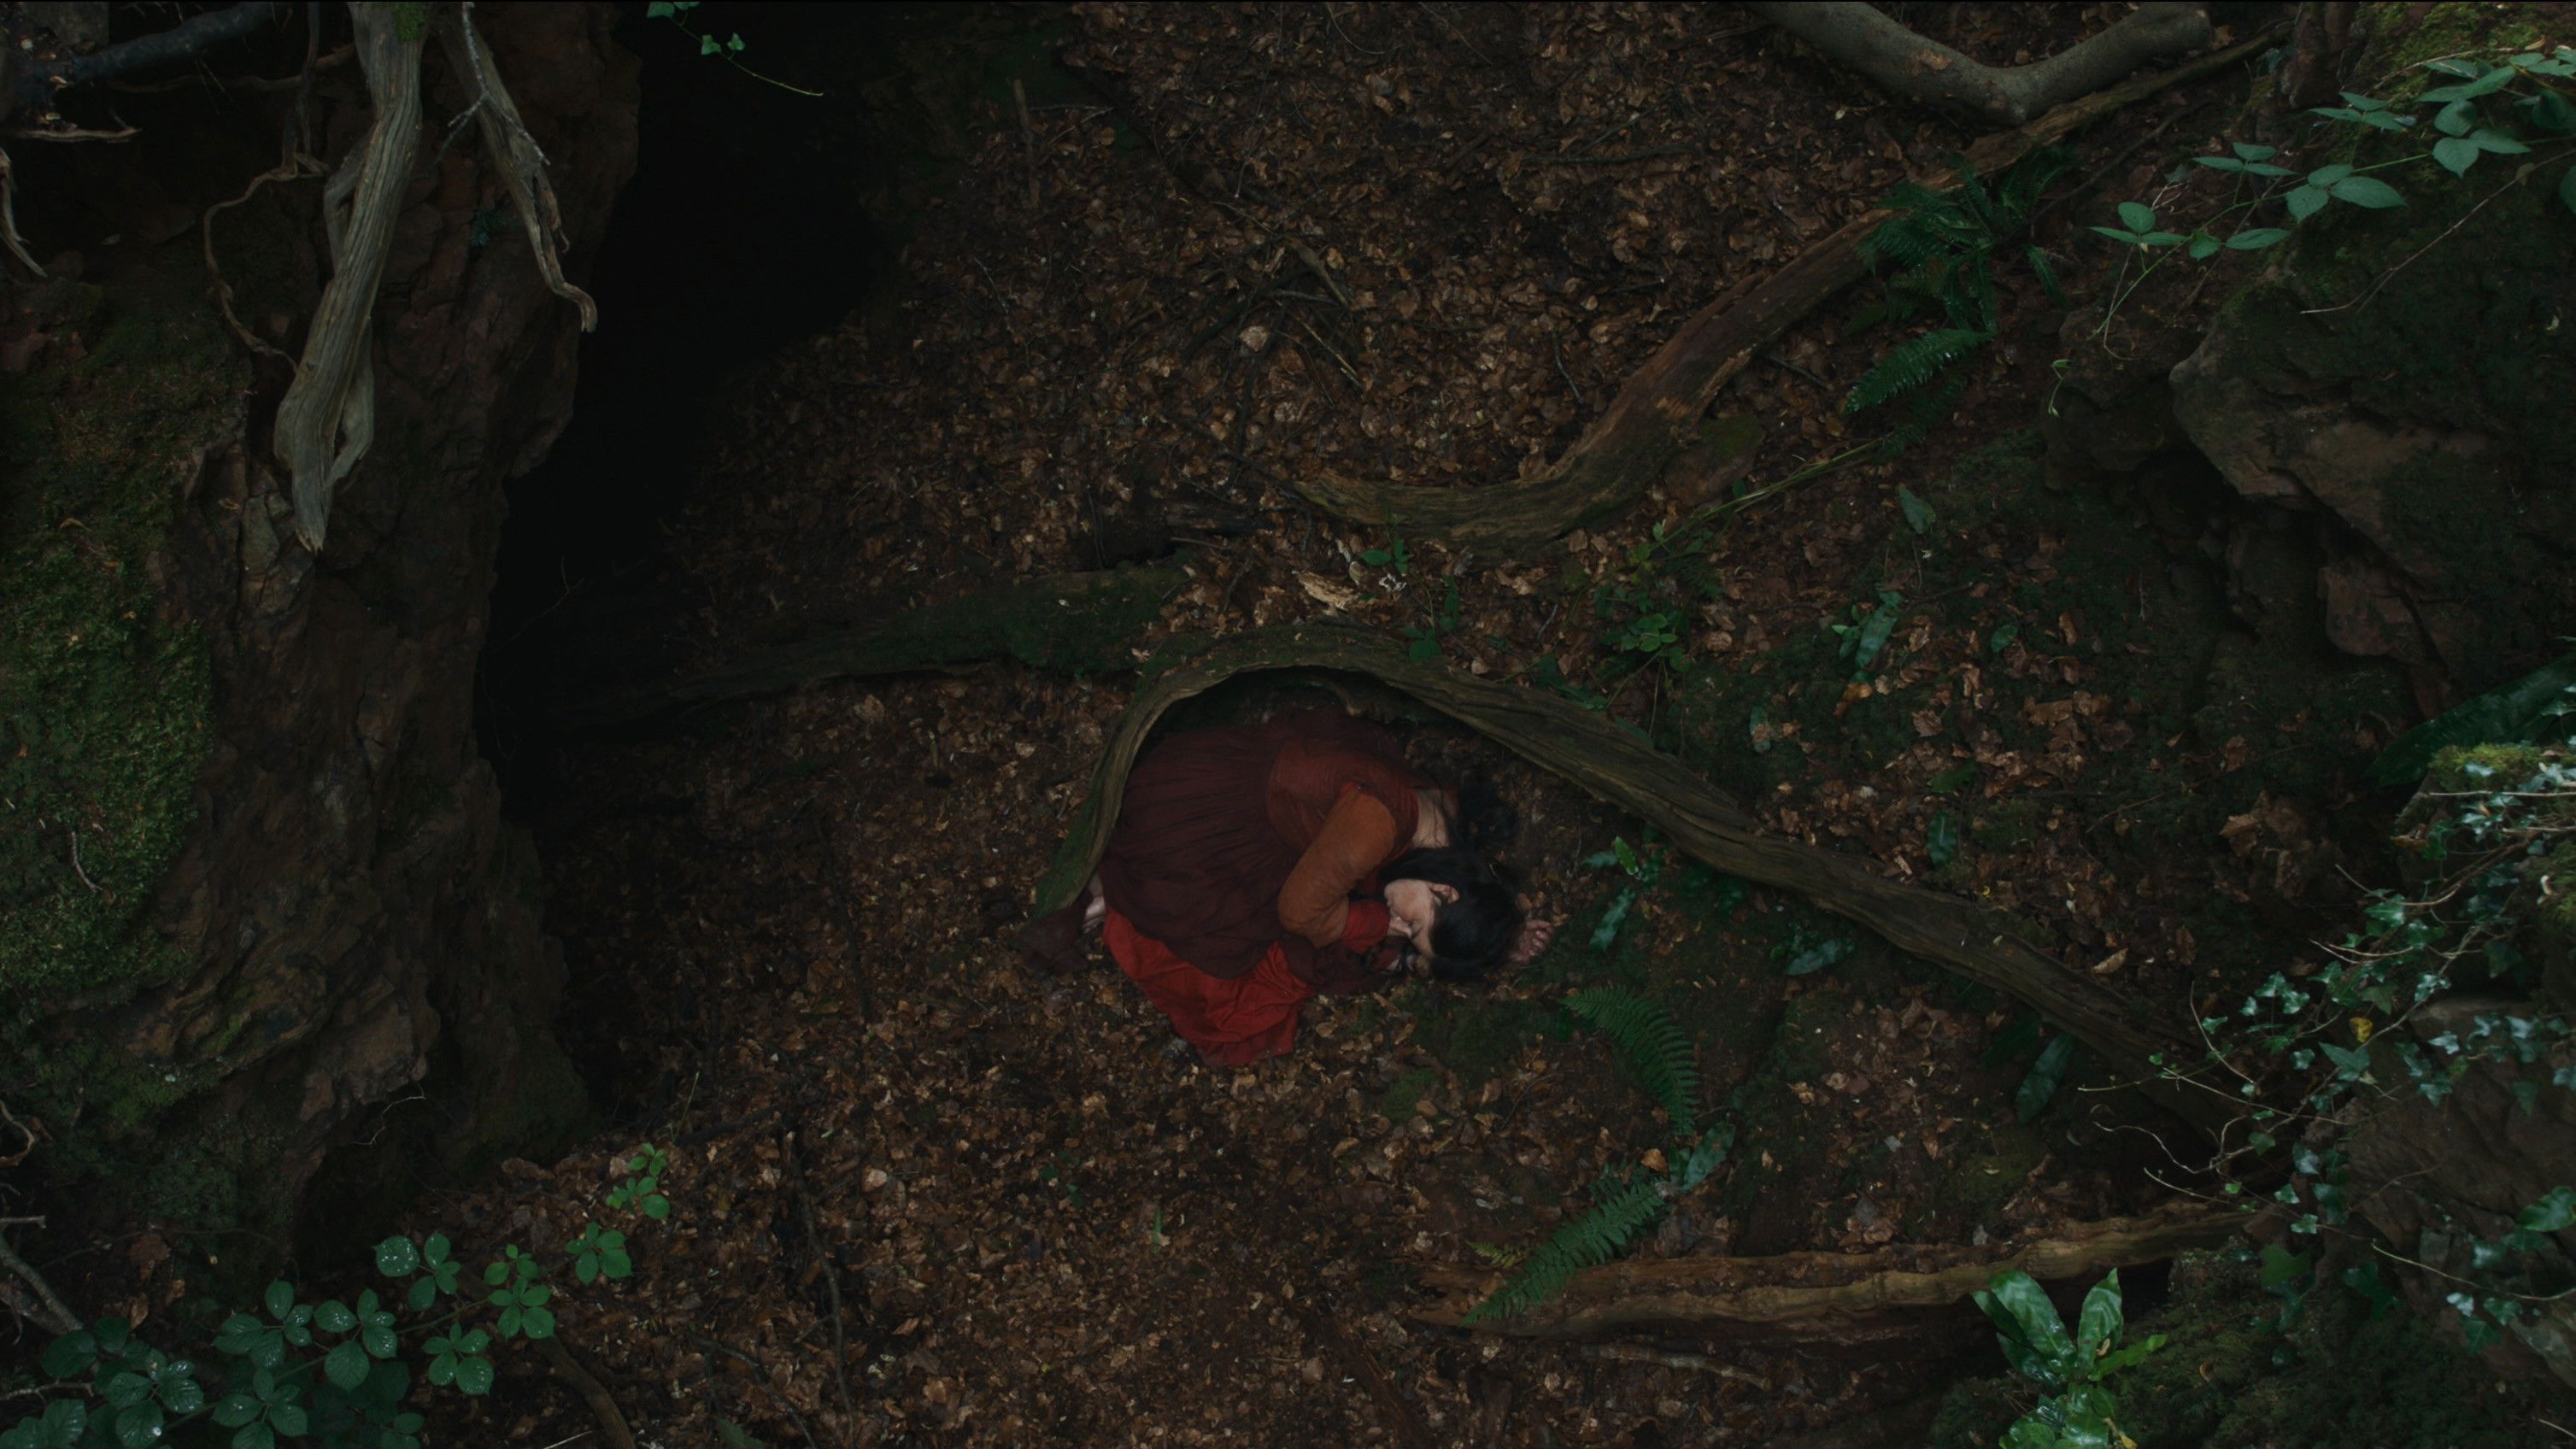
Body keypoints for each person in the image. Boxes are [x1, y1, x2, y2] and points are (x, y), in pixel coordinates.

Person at [1021, 707, 1552, 1065]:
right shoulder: (1377, 824)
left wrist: (1499, 937)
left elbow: (1460, 892)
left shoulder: (1440, 827)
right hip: (1200, 818)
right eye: (1413, 924)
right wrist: (1369, 920)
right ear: (1445, 892)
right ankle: (1107, 897)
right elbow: (1300, 913)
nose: (1398, 924)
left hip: (1235, 782)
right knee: (1228, 942)